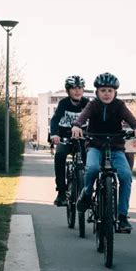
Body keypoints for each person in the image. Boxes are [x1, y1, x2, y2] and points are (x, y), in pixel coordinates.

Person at [72, 72, 136, 231]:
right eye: (103, 90)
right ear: (97, 92)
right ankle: (86, 193)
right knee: (92, 169)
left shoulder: (119, 105)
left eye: (110, 91)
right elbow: (83, 117)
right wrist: (77, 125)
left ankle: (123, 216)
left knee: (126, 176)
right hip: (95, 146)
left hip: (116, 148)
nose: (106, 94)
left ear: (115, 92)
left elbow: (131, 119)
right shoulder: (93, 105)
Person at [50, 75, 89, 206]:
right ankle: (61, 192)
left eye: (80, 88)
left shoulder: (86, 103)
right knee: (60, 156)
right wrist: (54, 134)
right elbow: (55, 120)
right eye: (73, 88)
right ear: (68, 91)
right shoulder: (64, 103)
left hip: (82, 138)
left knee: (88, 162)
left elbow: (94, 119)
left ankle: (87, 191)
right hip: (65, 137)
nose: (77, 91)